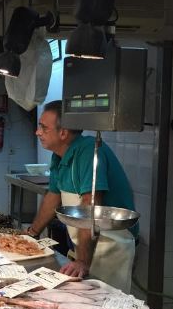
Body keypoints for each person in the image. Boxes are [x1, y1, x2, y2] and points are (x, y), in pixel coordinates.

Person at [26, 100, 137, 293]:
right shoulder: (59, 155)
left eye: (43, 128)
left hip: (110, 242)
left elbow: (90, 206)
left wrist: (82, 261)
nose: (38, 132)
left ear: (63, 133)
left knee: (105, 304)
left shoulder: (88, 151)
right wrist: (31, 234)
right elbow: (54, 195)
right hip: (87, 241)